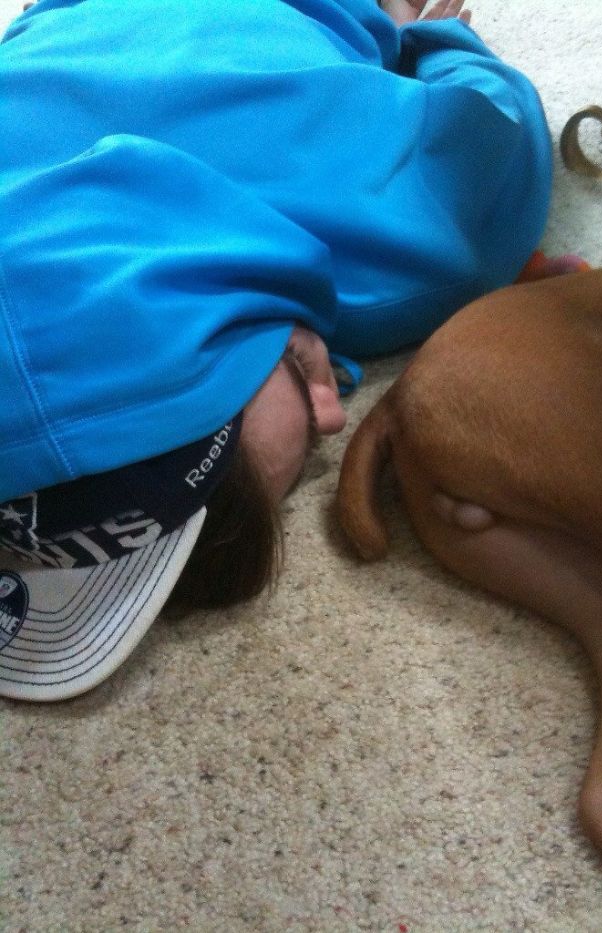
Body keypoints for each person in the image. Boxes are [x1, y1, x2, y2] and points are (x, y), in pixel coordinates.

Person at [0, 0, 554, 700]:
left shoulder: (417, 237)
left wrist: (431, 35)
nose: (333, 417)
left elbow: (502, 123)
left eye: (300, 368)